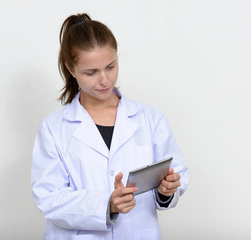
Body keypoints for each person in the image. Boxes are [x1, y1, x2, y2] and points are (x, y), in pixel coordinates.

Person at [31, 13, 188, 240]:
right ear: (71, 69)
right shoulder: (53, 129)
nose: (104, 80)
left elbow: (176, 173)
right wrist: (107, 204)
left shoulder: (151, 120)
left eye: (111, 66)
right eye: (91, 72)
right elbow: (48, 198)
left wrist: (167, 190)